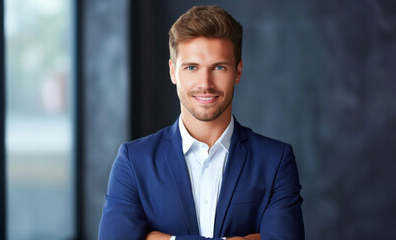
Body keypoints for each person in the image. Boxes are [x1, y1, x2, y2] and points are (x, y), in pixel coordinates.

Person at [99, 5, 304, 240]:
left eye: (219, 67)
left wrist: (162, 239)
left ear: (237, 71)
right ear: (173, 72)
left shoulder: (276, 161)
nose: (205, 83)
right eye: (192, 68)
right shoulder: (134, 161)